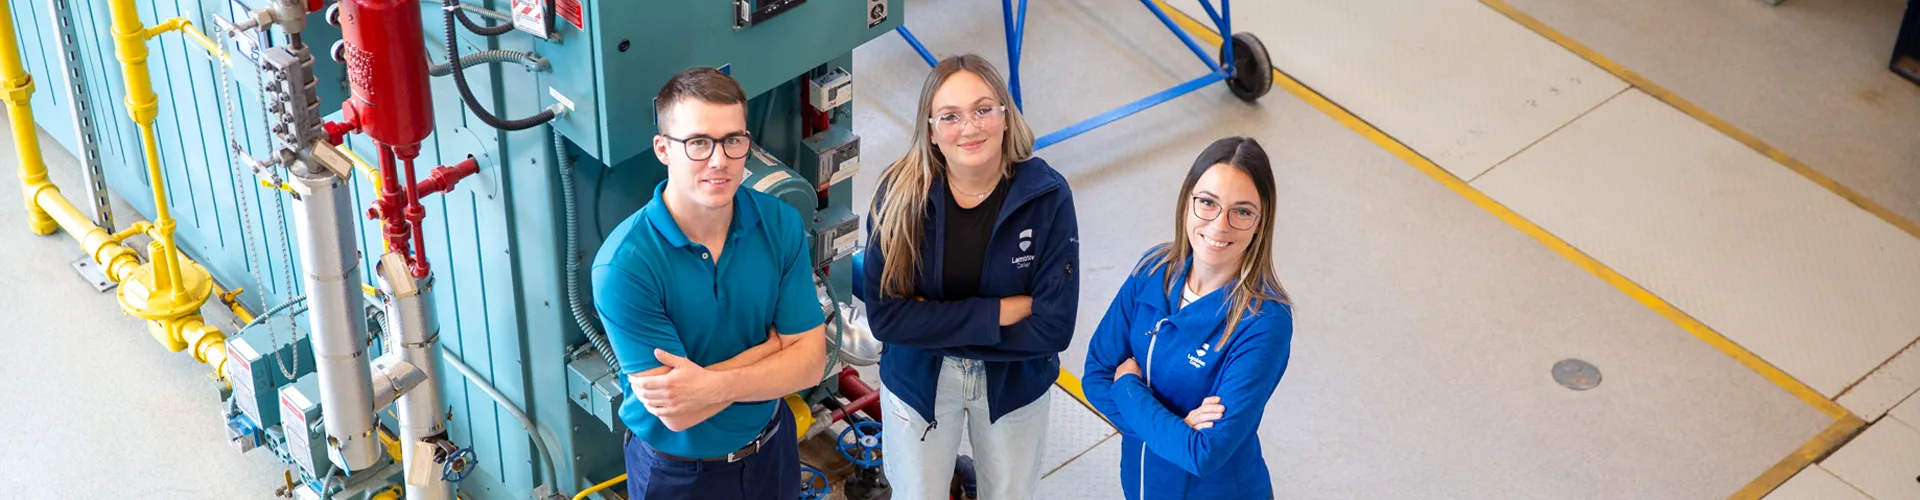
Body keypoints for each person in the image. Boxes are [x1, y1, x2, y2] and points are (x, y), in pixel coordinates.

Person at [591, 67, 827, 500]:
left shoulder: (779, 223)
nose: (719, 160)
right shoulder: (624, 267)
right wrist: (775, 350)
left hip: (772, 453)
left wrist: (711, 386)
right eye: (698, 143)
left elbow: (811, 364)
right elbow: (678, 412)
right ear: (663, 149)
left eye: (733, 140)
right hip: (680, 476)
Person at [859, 54, 1080, 499]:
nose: (970, 127)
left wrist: (927, 323)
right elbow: (886, 321)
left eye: (983, 109)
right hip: (919, 382)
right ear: (931, 130)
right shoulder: (899, 196)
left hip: (1014, 382)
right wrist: (1001, 312)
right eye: (951, 116)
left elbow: (1053, 327)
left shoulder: (1047, 198)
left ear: (1004, 115)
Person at [1081, 137, 1295, 500]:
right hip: (1142, 484)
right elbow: (1096, 376)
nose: (1219, 225)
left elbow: (1202, 452)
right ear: (1187, 202)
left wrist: (1130, 389)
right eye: (1208, 203)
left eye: (1242, 211)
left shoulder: (1263, 322)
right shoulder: (1154, 270)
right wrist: (1175, 431)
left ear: (1261, 222)